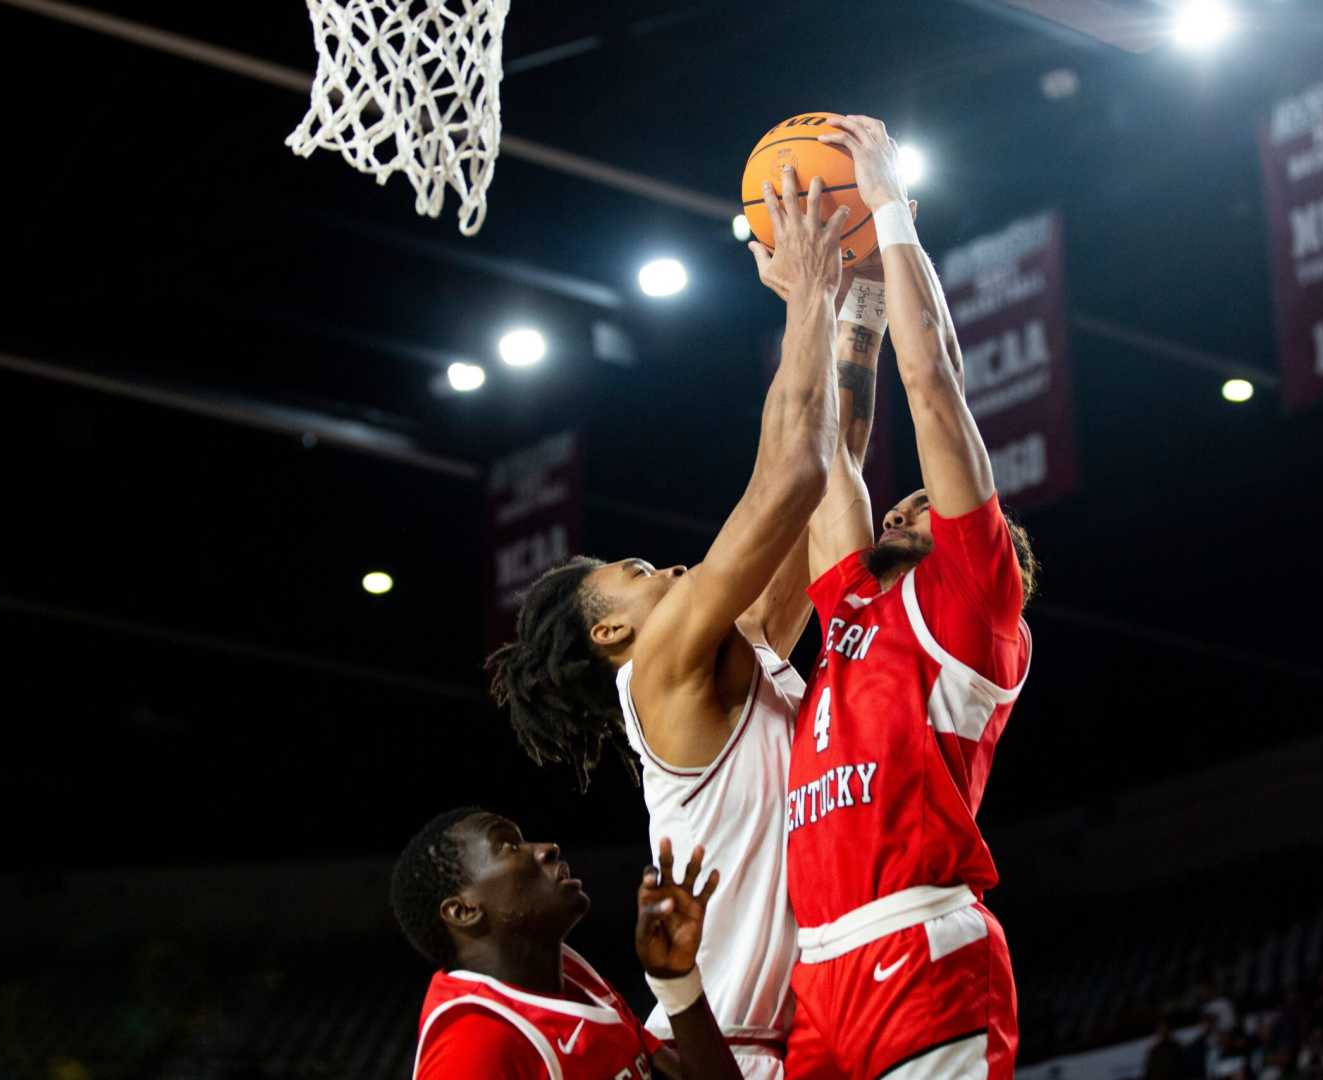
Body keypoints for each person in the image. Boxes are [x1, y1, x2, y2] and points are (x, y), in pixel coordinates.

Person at [486, 170, 853, 1075]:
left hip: (782, 1039)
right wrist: (805, 288)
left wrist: (861, 311)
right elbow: (789, 476)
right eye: (639, 574)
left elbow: (829, 463)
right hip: (711, 1051)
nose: (674, 569)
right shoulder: (654, 679)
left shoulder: (745, 654)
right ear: (611, 635)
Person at [779, 115, 1039, 1080]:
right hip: (818, 969)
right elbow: (826, 461)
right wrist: (836, 308)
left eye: (927, 500)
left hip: (919, 947)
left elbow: (934, 390)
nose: (902, 498)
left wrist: (885, 202)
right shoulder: (853, 605)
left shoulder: (972, 604)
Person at [392, 806, 744, 1079]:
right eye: (508, 846)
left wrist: (676, 980)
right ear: (464, 910)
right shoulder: (473, 1047)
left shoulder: (567, 970)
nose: (546, 848)